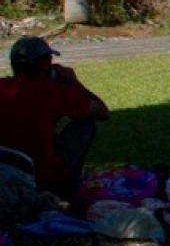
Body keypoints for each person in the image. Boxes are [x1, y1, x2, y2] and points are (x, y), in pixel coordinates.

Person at [0, 37, 110, 200]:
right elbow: (102, 112)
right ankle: (70, 182)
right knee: (85, 124)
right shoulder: (54, 92)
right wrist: (73, 82)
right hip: (45, 176)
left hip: (6, 168)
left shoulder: (4, 87)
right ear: (45, 64)